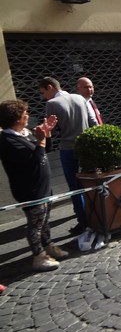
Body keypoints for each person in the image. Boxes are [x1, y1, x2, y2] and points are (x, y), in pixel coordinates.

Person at [0, 100, 68, 271]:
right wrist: (41, 139)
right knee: (36, 224)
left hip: (43, 186)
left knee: (44, 221)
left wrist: (47, 133)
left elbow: (46, 150)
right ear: (16, 119)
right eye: (25, 114)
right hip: (30, 190)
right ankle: (38, 256)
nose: (28, 116)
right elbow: (35, 160)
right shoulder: (8, 141)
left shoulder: (25, 133)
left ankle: (48, 245)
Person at [38, 77, 93, 234]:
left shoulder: (52, 104)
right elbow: (91, 121)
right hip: (85, 146)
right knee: (90, 183)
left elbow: (50, 130)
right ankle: (96, 216)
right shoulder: (80, 98)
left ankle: (83, 222)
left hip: (68, 149)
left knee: (74, 187)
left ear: (50, 87)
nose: (43, 97)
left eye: (43, 93)